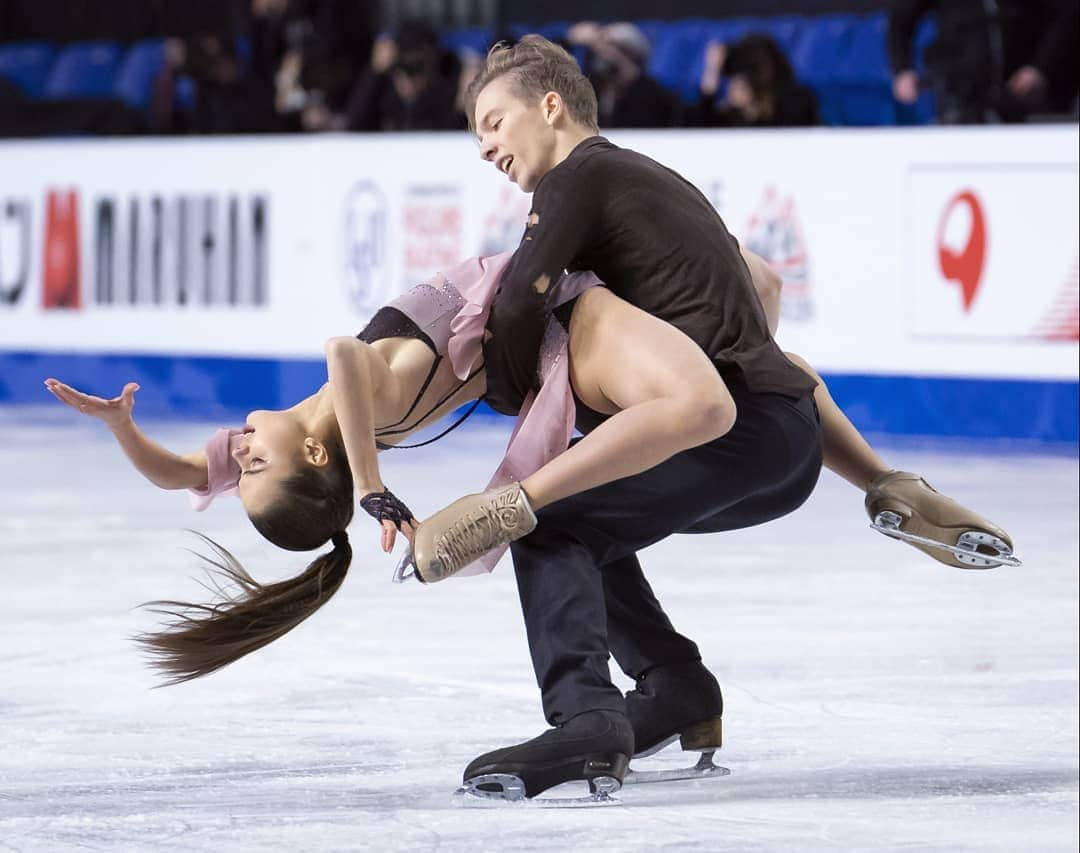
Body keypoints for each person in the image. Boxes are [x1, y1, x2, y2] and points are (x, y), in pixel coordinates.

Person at [411, 35, 1016, 803]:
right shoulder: (658, 181)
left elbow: (518, 298)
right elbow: (762, 288)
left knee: (548, 522)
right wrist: (874, 476)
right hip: (790, 443)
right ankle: (677, 692)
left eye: (494, 121)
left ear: (551, 107)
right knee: (591, 522)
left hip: (731, 435)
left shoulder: (577, 176)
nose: (485, 145)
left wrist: (495, 390)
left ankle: (587, 720)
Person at [888, 0, 1080, 123]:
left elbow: (1065, 15)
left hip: (1020, 94)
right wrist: (902, 69)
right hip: (960, 96)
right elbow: (900, 22)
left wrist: (1040, 68)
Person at [692, 34, 819, 128]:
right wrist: (712, 71)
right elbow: (703, 126)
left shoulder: (797, 102)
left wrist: (755, 106)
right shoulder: (732, 114)